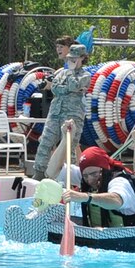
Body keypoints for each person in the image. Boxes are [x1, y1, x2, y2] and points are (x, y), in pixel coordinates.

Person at [32, 41, 90, 178]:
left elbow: (75, 86)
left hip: (73, 114)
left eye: (74, 58)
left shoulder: (85, 75)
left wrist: (70, 76)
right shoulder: (61, 73)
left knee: (69, 145)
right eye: (70, 58)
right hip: (55, 112)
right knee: (45, 141)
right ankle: (39, 172)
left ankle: (68, 175)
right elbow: (55, 88)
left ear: (82, 58)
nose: (71, 60)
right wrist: (69, 88)